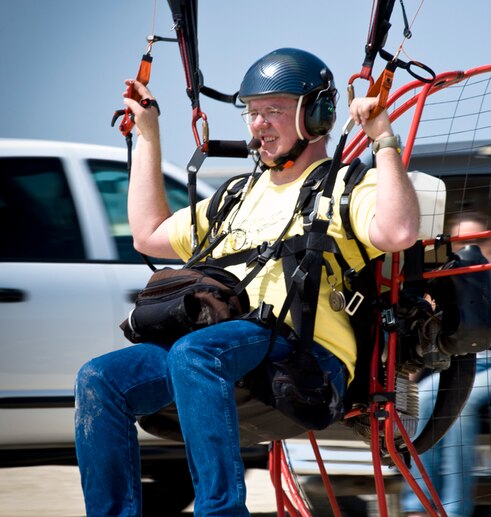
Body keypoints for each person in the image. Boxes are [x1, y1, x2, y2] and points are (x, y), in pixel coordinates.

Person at [74, 47, 420, 517]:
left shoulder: (343, 187)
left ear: (317, 115)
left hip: (307, 360)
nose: (259, 123)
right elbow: (149, 235)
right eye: (252, 112)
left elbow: (399, 232)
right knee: (100, 379)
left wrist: (383, 139)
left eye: (274, 110)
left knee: (196, 353)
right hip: (223, 353)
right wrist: (150, 133)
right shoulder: (237, 195)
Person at [401, 211, 491, 517]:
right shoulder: (448, 275)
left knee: (461, 404)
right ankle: (419, 504)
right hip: (469, 364)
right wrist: (406, 380)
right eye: (464, 242)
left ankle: (456, 509)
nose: (474, 249)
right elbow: (427, 333)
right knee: (423, 399)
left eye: (480, 241)